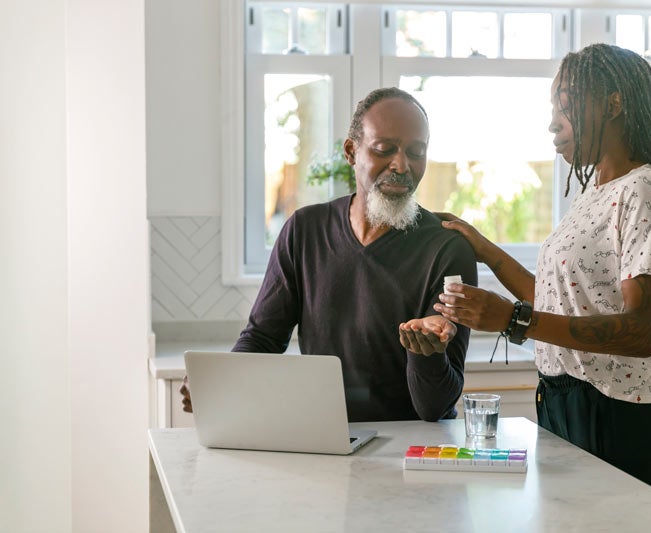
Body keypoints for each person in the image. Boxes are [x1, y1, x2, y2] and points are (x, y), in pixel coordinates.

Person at [427, 44, 651, 492]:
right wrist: (485, 249)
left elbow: (642, 332)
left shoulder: (645, 189)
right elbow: (564, 299)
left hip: (616, 411)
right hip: (562, 397)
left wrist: (513, 320)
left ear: (613, 103)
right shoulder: (595, 191)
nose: (553, 121)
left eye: (565, 105)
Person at [181, 87, 477, 423]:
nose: (402, 164)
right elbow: (263, 338)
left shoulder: (447, 250)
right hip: (327, 435)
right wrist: (222, 381)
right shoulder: (304, 230)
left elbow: (434, 408)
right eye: (385, 149)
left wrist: (427, 354)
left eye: (416, 151)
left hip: (416, 447)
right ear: (351, 152)